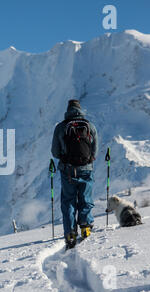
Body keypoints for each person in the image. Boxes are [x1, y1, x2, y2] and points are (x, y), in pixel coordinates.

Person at [51, 99, 98, 249]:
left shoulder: (61, 127)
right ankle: (85, 227)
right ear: (80, 109)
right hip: (86, 168)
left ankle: (70, 233)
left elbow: (55, 152)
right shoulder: (89, 126)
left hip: (68, 170)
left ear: (68, 110)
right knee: (86, 198)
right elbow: (94, 149)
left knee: (69, 201)